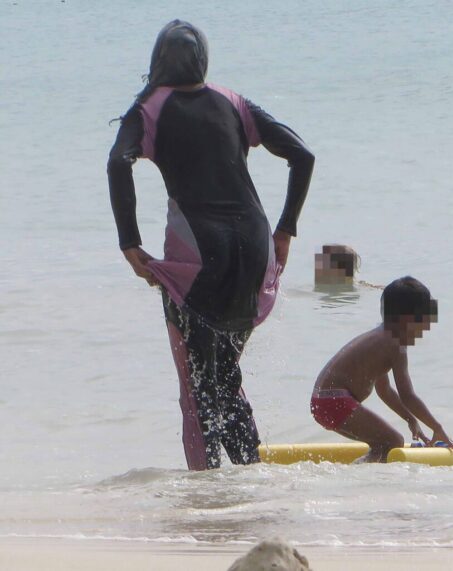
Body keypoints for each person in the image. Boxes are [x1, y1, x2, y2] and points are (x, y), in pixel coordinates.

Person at [107, 20, 315, 470]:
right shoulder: (234, 102)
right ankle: (249, 477)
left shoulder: (150, 107)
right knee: (224, 374)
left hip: (199, 260)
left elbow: (117, 163)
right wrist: (285, 230)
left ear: (157, 63)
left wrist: (129, 242)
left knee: (198, 381)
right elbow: (303, 154)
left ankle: (209, 495)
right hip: (256, 251)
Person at [310, 276, 453, 461]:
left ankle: (356, 479)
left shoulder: (382, 338)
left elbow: (384, 390)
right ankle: (356, 479)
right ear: (409, 318)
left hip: (322, 402)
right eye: (425, 319)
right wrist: (437, 428)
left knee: (382, 443)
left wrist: (410, 419)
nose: (427, 327)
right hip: (334, 401)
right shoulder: (395, 344)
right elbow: (408, 396)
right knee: (392, 441)